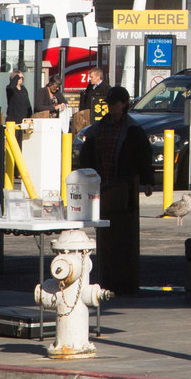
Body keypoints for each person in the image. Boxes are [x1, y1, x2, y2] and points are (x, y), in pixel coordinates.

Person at [74, 83, 150, 296]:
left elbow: (142, 155)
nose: (112, 108)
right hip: (102, 188)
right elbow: (87, 155)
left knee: (124, 234)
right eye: (110, 104)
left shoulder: (132, 129)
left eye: (115, 104)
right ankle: (106, 277)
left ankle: (124, 280)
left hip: (123, 188)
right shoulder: (99, 128)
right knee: (105, 235)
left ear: (124, 104)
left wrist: (147, 181)